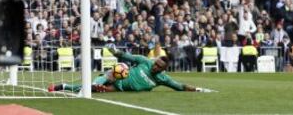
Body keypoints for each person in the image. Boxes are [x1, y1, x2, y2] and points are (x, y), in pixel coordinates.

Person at [48, 45, 212, 93]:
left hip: (120, 89)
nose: (155, 66)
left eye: (159, 67)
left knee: (97, 89)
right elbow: (128, 57)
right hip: (118, 76)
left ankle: (67, 87)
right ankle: (63, 86)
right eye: (155, 63)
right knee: (97, 84)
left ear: (163, 69)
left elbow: (179, 86)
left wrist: (198, 89)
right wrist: (115, 51)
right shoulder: (145, 61)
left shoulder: (163, 79)